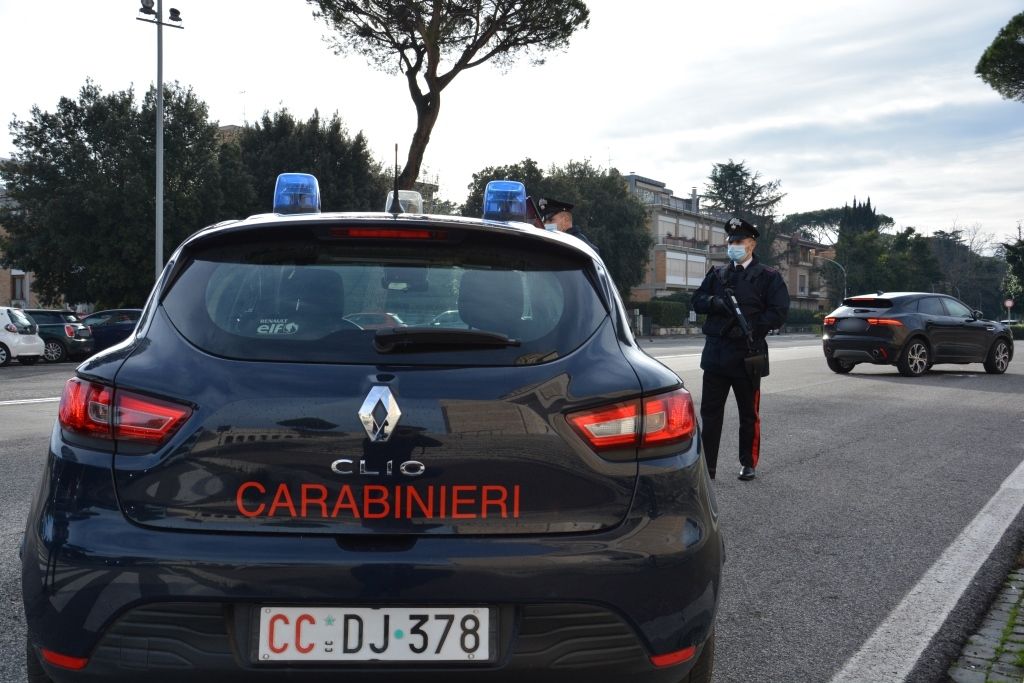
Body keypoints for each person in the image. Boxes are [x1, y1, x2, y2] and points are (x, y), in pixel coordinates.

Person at [691, 217, 790, 481]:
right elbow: (697, 301)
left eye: (739, 241)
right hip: (716, 354)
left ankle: (748, 463)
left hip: (748, 354)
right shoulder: (717, 274)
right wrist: (714, 302)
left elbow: (778, 312)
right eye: (731, 241)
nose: (734, 245)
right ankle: (707, 467)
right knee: (710, 414)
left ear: (752, 244)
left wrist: (753, 329)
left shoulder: (768, 277)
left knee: (749, 413)